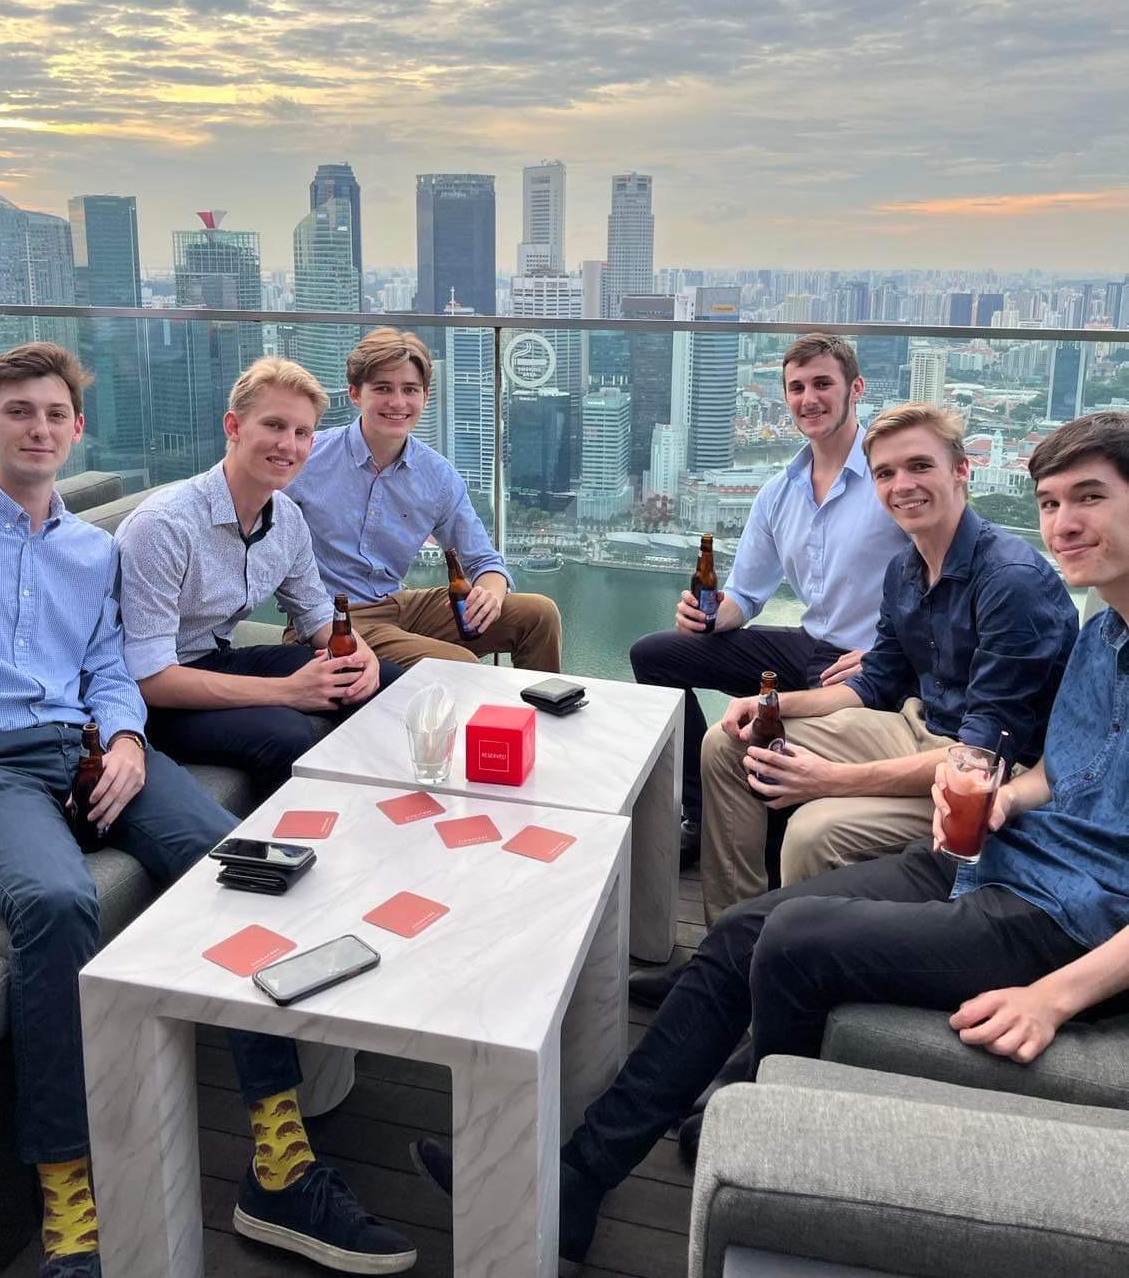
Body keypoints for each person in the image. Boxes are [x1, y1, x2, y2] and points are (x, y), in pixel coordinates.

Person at [414, 409, 1129, 1274]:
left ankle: (747, 1108)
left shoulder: (1019, 586)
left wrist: (1056, 997)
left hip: (1066, 919)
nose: (1064, 523)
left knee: (791, 942)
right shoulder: (1103, 634)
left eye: (1089, 498)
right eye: (1052, 502)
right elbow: (1059, 768)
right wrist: (1008, 799)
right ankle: (576, 1176)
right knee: (745, 927)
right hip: (993, 861)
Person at [0, 344, 416, 1278]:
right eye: (19, 413)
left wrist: (126, 742)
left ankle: (278, 1164)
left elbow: (108, 672)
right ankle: (68, 1200)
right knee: (55, 903)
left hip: (90, 745)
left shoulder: (91, 552)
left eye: (55, 415)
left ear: (77, 430)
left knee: (242, 866)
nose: (40, 429)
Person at [686, 399, 1079, 932]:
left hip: (980, 778)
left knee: (812, 831)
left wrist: (830, 779)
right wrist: (771, 702)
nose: (902, 485)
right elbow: (874, 683)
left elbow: (980, 755)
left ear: (962, 470)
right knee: (729, 741)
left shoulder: (1011, 580)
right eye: (886, 473)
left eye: (920, 466)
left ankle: (796, 969)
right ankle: (731, 943)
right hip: (915, 727)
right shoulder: (905, 569)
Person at [630, 334, 909, 867]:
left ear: (857, 388)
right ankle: (701, 808)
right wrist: (709, 618)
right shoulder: (780, 491)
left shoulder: (889, 478)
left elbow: (941, 582)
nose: (810, 399)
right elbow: (745, 593)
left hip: (869, 664)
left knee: (767, 761)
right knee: (654, 655)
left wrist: (890, 655)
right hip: (809, 646)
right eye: (797, 387)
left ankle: (774, 850)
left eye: (823, 384)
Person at [116, 358, 403, 801]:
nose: (289, 445)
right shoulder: (164, 526)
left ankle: (383, 815)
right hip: (150, 699)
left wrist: (360, 657)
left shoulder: (286, 518)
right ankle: (292, 850)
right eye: (274, 426)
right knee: (283, 732)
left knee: (384, 680)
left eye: (302, 433)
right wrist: (289, 691)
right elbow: (150, 678)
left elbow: (318, 615)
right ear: (234, 426)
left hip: (216, 657)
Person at [288, 326, 562, 671]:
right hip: (333, 619)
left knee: (539, 614)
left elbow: (483, 560)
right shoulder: (310, 458)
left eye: (410, 390)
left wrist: (489, 593)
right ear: (355, 394)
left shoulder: (436, 475)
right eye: (383, 388)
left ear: (425, 397)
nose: (398, 402)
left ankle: (539, 716)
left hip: (400, 604)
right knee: (458, 663)